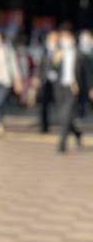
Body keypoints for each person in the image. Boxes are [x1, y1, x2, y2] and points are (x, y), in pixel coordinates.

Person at [55, 25, 83, 153]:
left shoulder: (79, 54)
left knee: (66, 114)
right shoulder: (57, 53)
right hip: (60, 87)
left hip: (73, 87)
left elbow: (87, 73)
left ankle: (62, 144)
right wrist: (55, 61)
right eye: (62, 37)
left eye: (67, 37)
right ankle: (77, 133)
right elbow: (51, 72)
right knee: (62, 116)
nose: (64, 40)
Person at [36, 30, 59, 133]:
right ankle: (44, 126)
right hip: (45, 81)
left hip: (58, 83)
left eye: (55, 39)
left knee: (60, 105)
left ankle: (66, 125)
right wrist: (37, 77)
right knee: (44, 105)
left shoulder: (61, 51)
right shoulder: (44, 50)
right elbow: (39, 65)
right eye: (51, 39)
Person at [77, 29, 93, 120]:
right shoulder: (77, 50)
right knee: (81, 97)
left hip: (90, 77)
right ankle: (81, 112)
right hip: (81, 78)